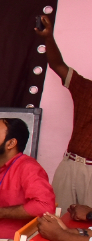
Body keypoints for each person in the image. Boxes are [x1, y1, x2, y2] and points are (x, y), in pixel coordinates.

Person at [35, 15, 92, 207]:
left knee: (88, 223)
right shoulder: (86, 88)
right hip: (70, 165)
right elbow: (57, 65)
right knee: (57, 218)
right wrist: (48, 37)